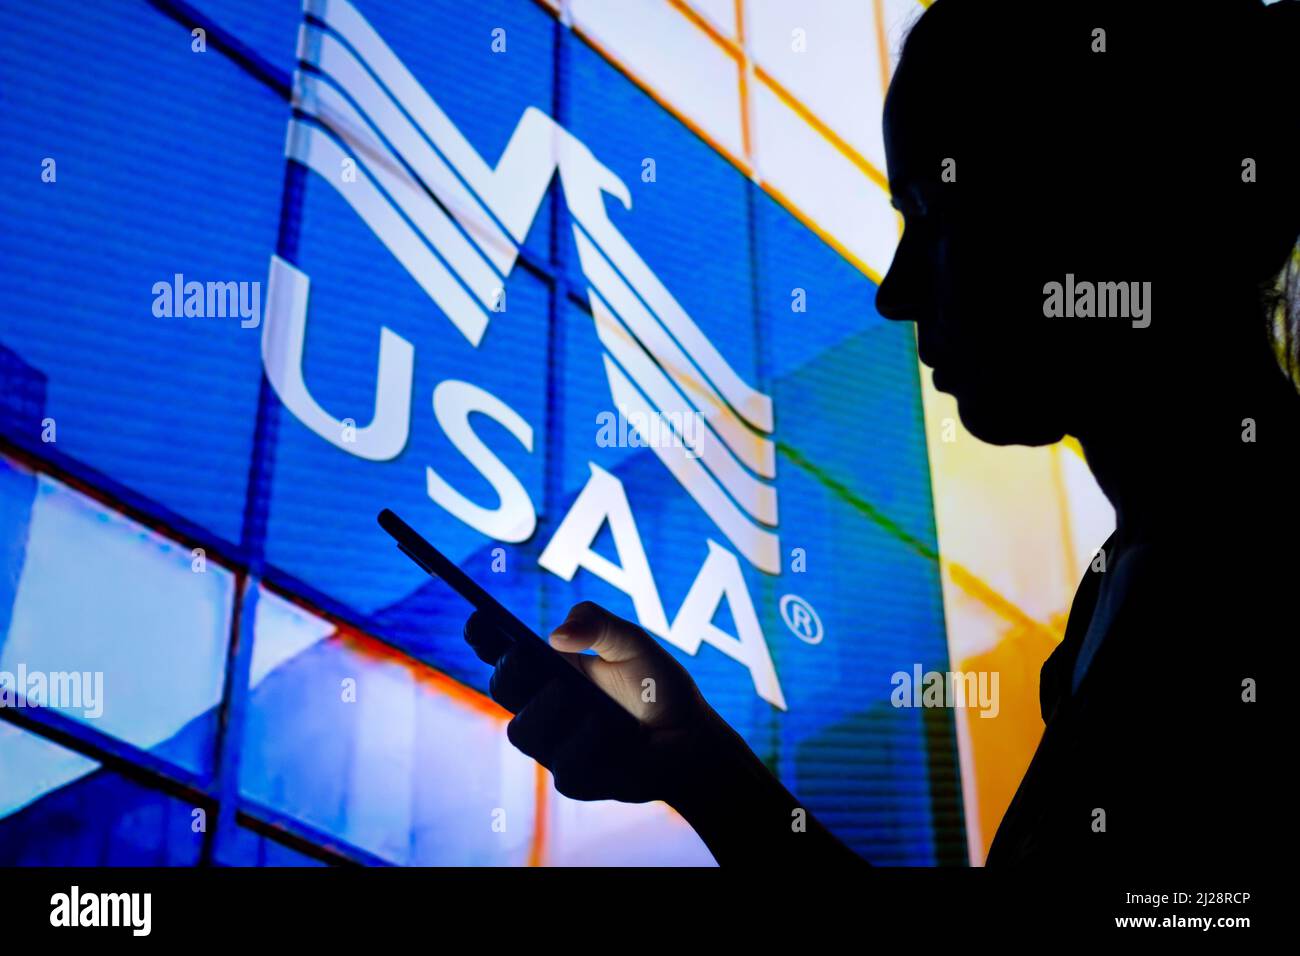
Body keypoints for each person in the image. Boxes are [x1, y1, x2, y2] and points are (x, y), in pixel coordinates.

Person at [464, 0, 1299, 867]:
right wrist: (695, 761)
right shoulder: (1129, 590)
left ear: (1110, 205)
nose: (894, 291)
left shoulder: (1250, 574)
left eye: (932, 218)